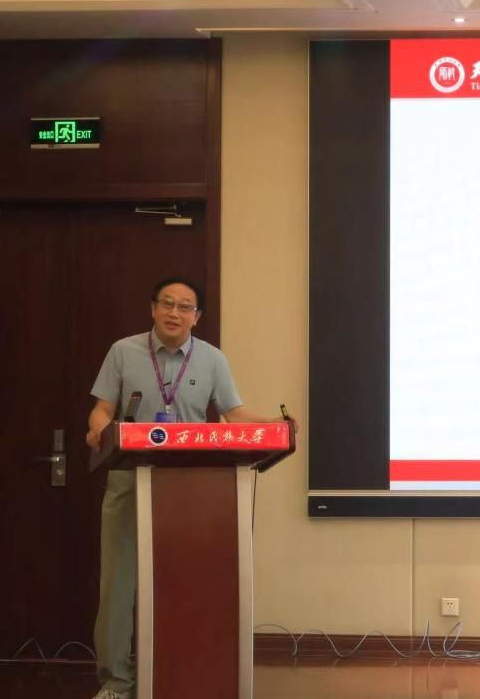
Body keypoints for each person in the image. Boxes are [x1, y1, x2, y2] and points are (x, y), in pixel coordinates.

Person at [84, 277, 289, 699]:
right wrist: (99, 429)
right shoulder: (123, 351)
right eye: (167, 304)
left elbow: (234, 415)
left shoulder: (212, 359)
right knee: (118, 586)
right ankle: (116, 683)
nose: (174, 313)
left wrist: (275, 424)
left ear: (197, 317)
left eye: (185, 307)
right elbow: (102, 409)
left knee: (185, 583)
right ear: (153, 308)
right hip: (130, 480)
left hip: (190, 488)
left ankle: (181, 674)